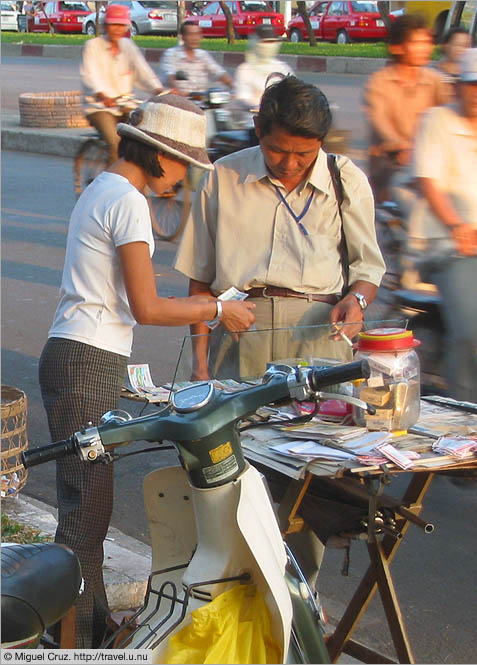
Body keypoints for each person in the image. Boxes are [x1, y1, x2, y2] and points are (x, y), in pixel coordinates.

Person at [38, 93, 255, 649]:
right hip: (85, 359)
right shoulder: (128, 200)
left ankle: (88, 625)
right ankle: (74, 641)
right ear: (159, 154)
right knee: (87, 511)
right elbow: (148, 306)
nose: (181, 180)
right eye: (182, 165)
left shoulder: (102, 189)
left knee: (87, 504)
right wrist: (217, 309)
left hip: (82, 356)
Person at [174, 75, 385, 582]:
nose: (289, 164)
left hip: (318, 340)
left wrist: (356, 300)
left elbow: (367, 269)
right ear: (257, 131)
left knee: (307, 477)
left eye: (302, 154)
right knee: (234, 471)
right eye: (276, 151)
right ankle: (236, 593)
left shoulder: (344, 179)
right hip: (239, 332)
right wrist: (201, 364)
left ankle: (298, 599)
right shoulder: (223, 177)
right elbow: (201, 281)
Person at [407, 47, 477, 404]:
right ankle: (470, 408)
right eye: (474, 85)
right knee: (466, 328)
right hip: (447, 242)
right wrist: (458, 225)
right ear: (459, 86)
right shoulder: (437, 121)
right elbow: (428, 181)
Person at [363, 13, 450, 206]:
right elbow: (380, 122)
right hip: (391, 161)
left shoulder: (435, 81)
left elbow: (447, 115)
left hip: (428, 159)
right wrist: (401, 146)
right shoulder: (379, 82)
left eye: (427, 42)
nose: (424, 48)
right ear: (397, 47)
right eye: (417, 43)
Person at [80, 3, 164, 166]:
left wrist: (158, 89)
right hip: (98, 107)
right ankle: (112, 185)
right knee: (115, 143)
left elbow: (143, 71)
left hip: (125, 103)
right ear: (105, 26)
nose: (117, 29)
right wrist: (101, 94)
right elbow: (89, 75)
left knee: (145, 139)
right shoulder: (93, 46)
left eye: (121, 25)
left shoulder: (129, 46)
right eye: (113, 25)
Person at [160, 21, 232, 96]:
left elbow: (218, 72)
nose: (195, 38)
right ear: (183, 37)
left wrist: (234, 86)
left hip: (200, 99)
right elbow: (170, 75)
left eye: (197, 34)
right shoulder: (171, 54)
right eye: (190, 34)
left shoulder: (203, 55)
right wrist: (179, 93)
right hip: (177, 100)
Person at [232, 24, 294, 111]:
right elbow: (242, 96)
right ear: (255, 43)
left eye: (271, 42)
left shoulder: (283, 68)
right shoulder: (245, 69)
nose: (268, 46)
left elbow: (292, 95)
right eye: (264, 42)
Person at [434, 27, 471, 99]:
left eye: (466, 46)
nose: (462, 49)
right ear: (445, 45)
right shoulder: (431, 71)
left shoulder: (471, 76)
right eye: (457, 45)